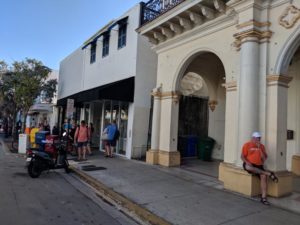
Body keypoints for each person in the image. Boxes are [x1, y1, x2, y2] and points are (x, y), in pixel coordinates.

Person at [241, 132, 279, 205]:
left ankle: (263, 198)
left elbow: (264, 159)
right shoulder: (247, 145)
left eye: (259, 138)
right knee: (248, 167)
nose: (258, 139)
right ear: (253, 138)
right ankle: (269, 173)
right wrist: (246, 161)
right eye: (256, 138)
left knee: (264, 177)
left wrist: (259, 149)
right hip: (250, 164)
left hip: (259, 165)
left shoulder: (261, 146)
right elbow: (242, 156)